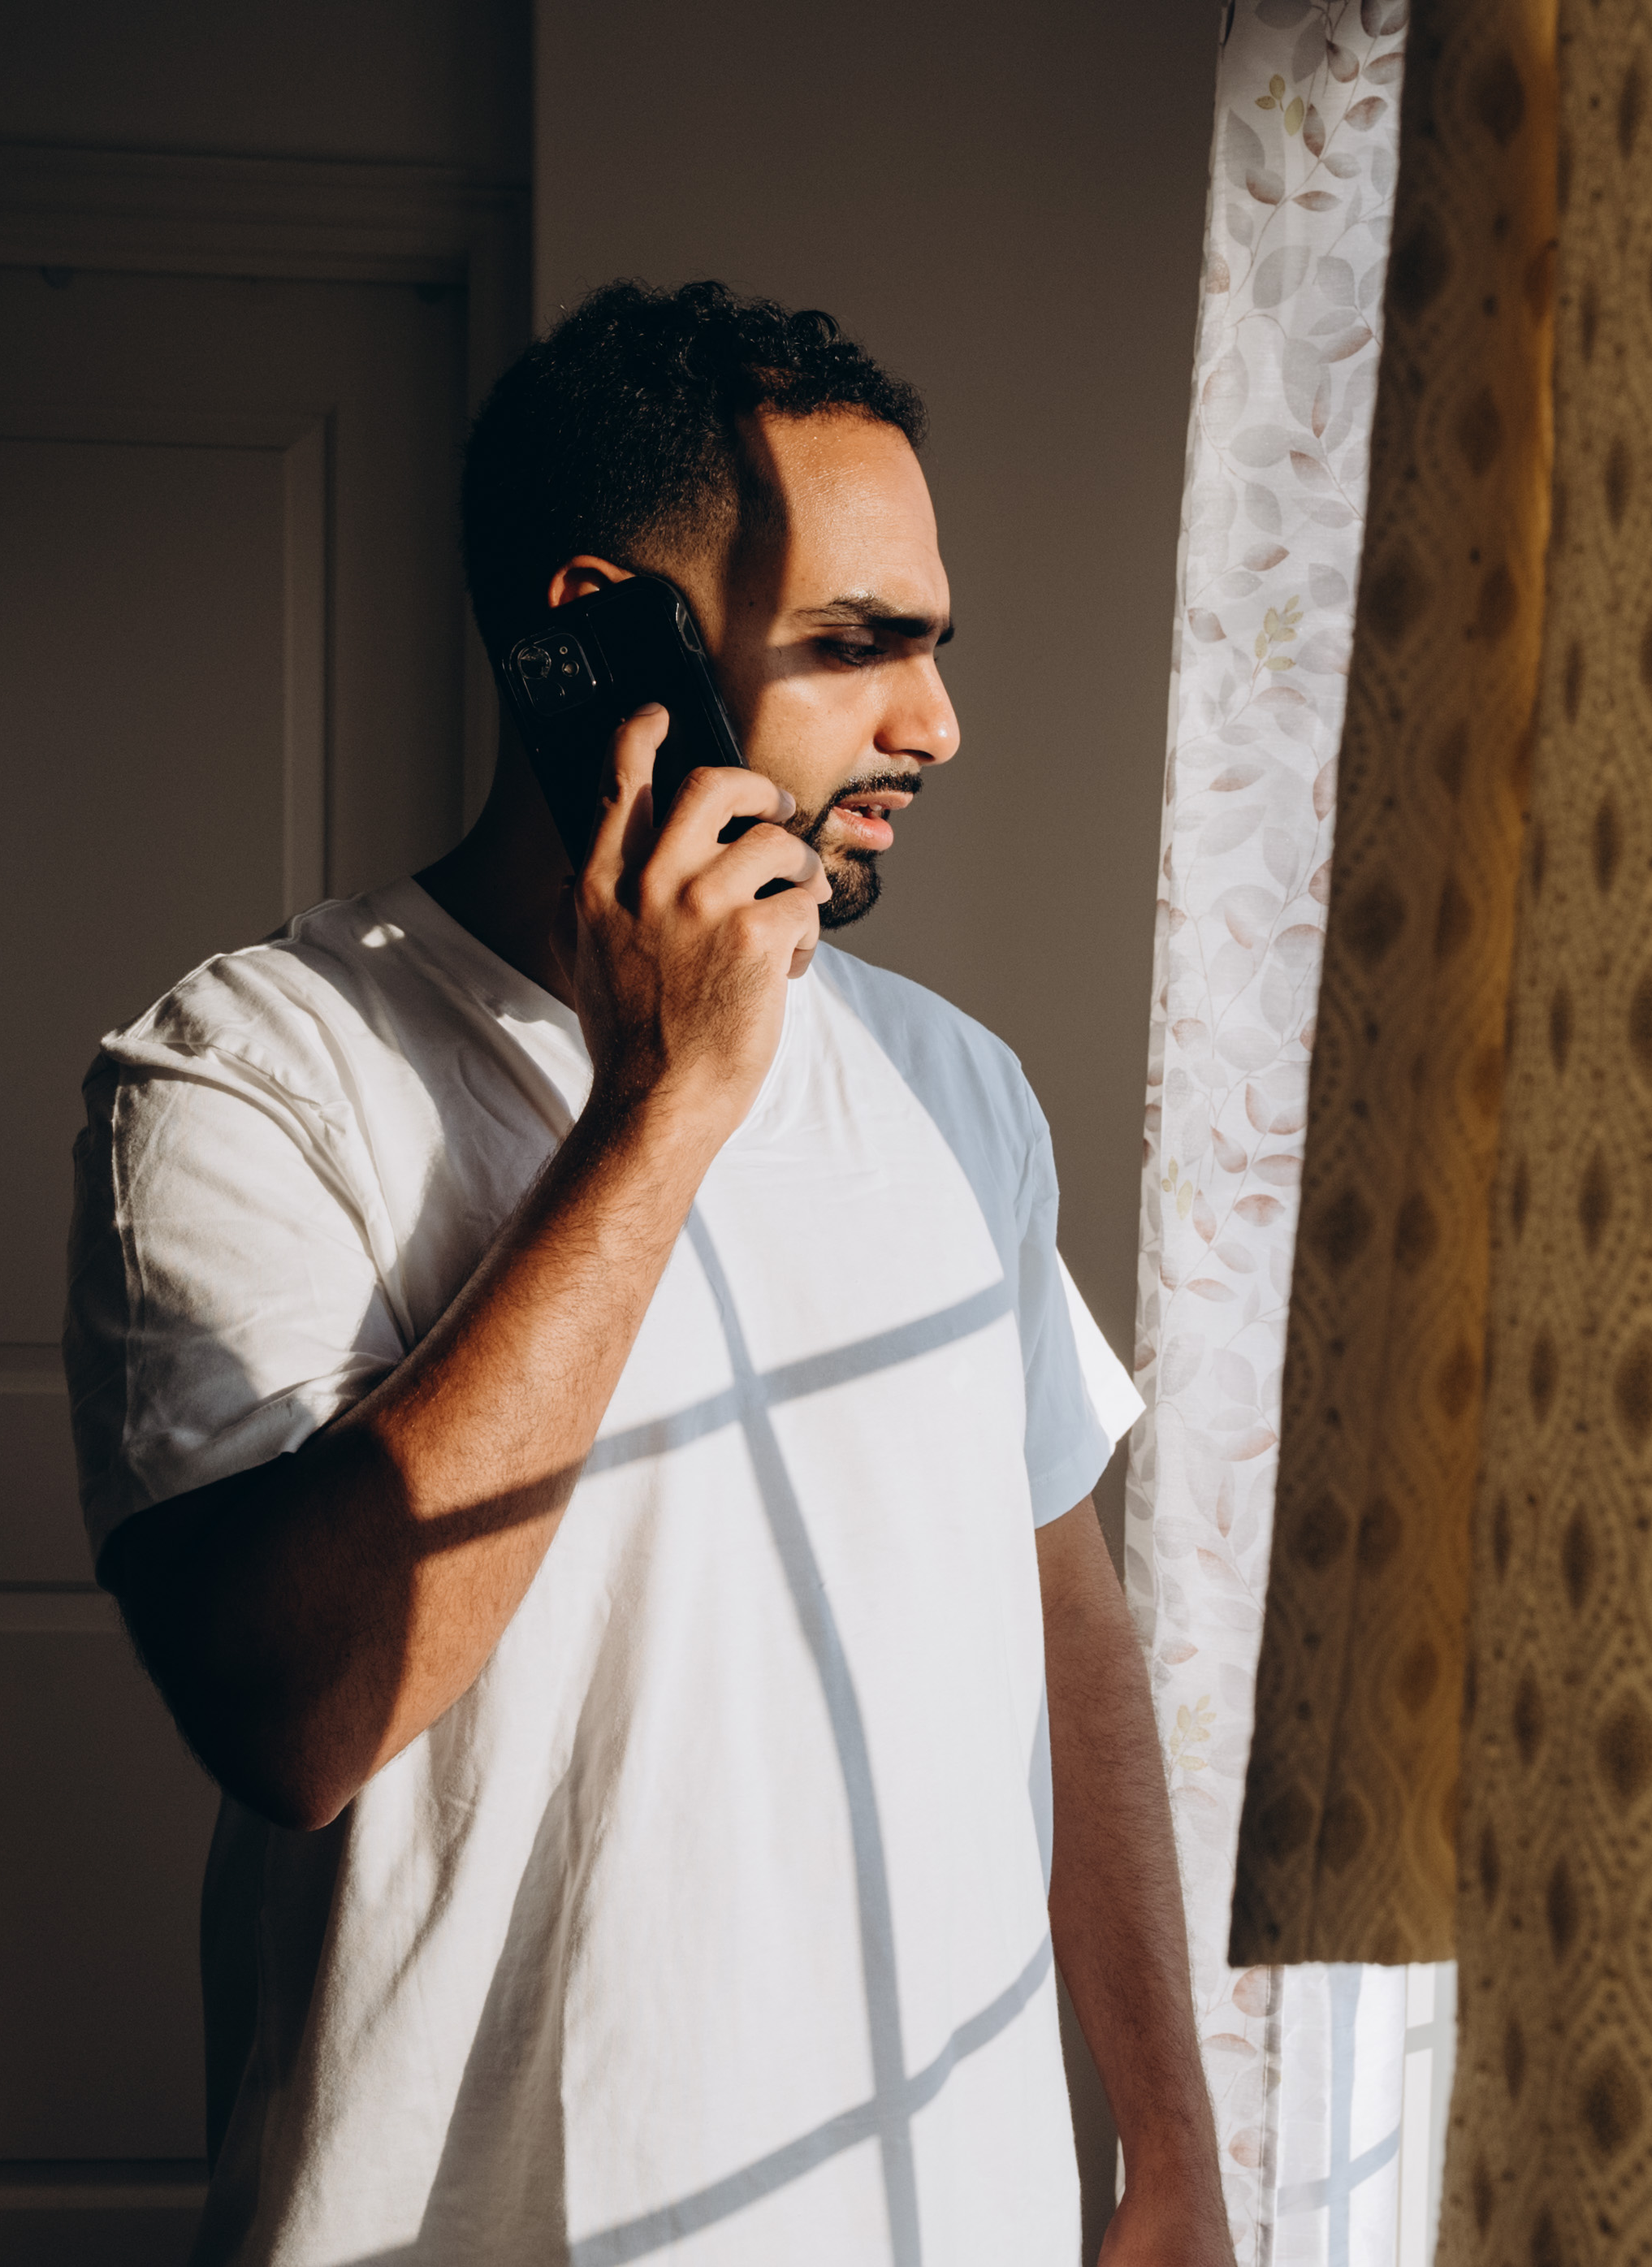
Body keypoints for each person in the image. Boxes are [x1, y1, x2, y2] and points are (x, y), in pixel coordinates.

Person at [63, 279, 1227, 2267]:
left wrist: (1173, 2148)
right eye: (856, 645)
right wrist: (661, 1104)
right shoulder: (251, 1074)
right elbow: (298, 1718)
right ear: (604, 639)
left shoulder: (958, 1089)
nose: (935, 724)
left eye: (932, 646)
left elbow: (1060, 1616)